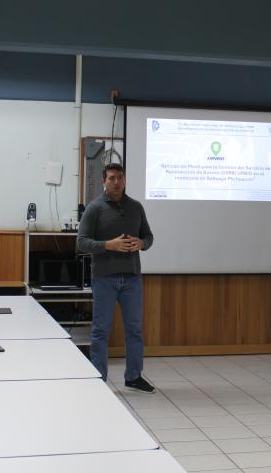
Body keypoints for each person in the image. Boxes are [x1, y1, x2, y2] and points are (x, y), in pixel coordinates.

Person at [77, 162, 156, 392]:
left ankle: (134, 377)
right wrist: (108, 245)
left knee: (135, 330)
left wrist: (142, 243)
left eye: (120, 177)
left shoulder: (136, 207)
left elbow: (149, 237)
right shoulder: (95, 208)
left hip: (132, 278)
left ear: (125, 180)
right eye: (111, 178)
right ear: (104, 181)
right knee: (101, 330)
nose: (116, 182)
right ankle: (99, 379)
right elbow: (81, 242)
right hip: (105, 278)